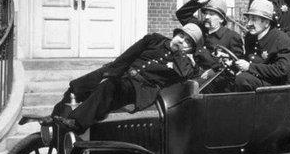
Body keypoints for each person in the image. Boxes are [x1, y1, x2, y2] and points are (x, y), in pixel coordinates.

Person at [47, 24, 204, 133]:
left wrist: (179, 53)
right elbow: (127, 56)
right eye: (181, 35)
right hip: (122, 73)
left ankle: (77, 123)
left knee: (108, 87)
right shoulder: (154, 40)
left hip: (139, 88)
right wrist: (108, 72)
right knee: (78, 85)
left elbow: (186, 74)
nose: (181, 40)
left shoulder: (184, 65)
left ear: (190, 48)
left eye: (187, 41)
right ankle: (56, 118)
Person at [234, 0, 290, 91]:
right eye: (249, 19)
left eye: (253, 19)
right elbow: (250, 58)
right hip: (259, 80)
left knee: (242, 80)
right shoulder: (250, 37)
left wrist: (249, 67)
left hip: (278, 86)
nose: (249, 24)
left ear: (266, 23)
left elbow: (281, 70)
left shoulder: (282, 40)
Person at [175, 0, 244, 68]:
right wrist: (199, 3)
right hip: (194, 73)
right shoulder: (199, 29)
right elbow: (182, 14)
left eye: (211, 14)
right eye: (206, 13)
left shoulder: (232, 37)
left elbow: (237, 64)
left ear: (221, 19)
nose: (207, 17)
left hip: (217, 77)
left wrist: (216, 69)